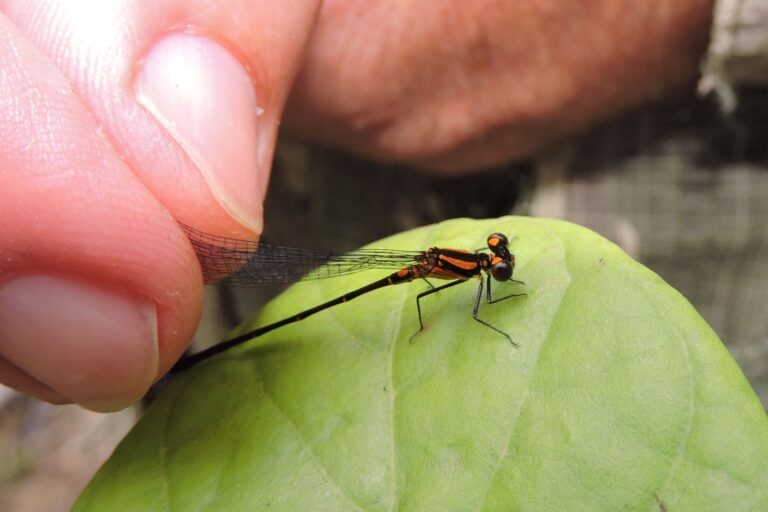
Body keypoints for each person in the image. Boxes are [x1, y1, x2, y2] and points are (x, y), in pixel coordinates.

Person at [1, 0, 758, 411]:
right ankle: (192, 367)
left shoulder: (470, 267)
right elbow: (466, 302)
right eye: (495, 257)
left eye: (495, 259)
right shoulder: (458, 272)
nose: (498, 262)